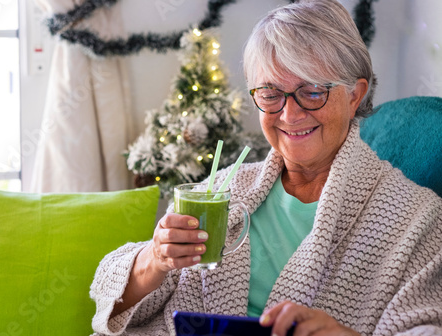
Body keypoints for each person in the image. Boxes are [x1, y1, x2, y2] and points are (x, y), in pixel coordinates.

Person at [89, 0, 442, 335]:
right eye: (271, 94)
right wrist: (155, 258)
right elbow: (113, 298)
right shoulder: (223, 188)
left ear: (354, 95)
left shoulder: (416, 220)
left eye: (313, 91)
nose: (289, 115)